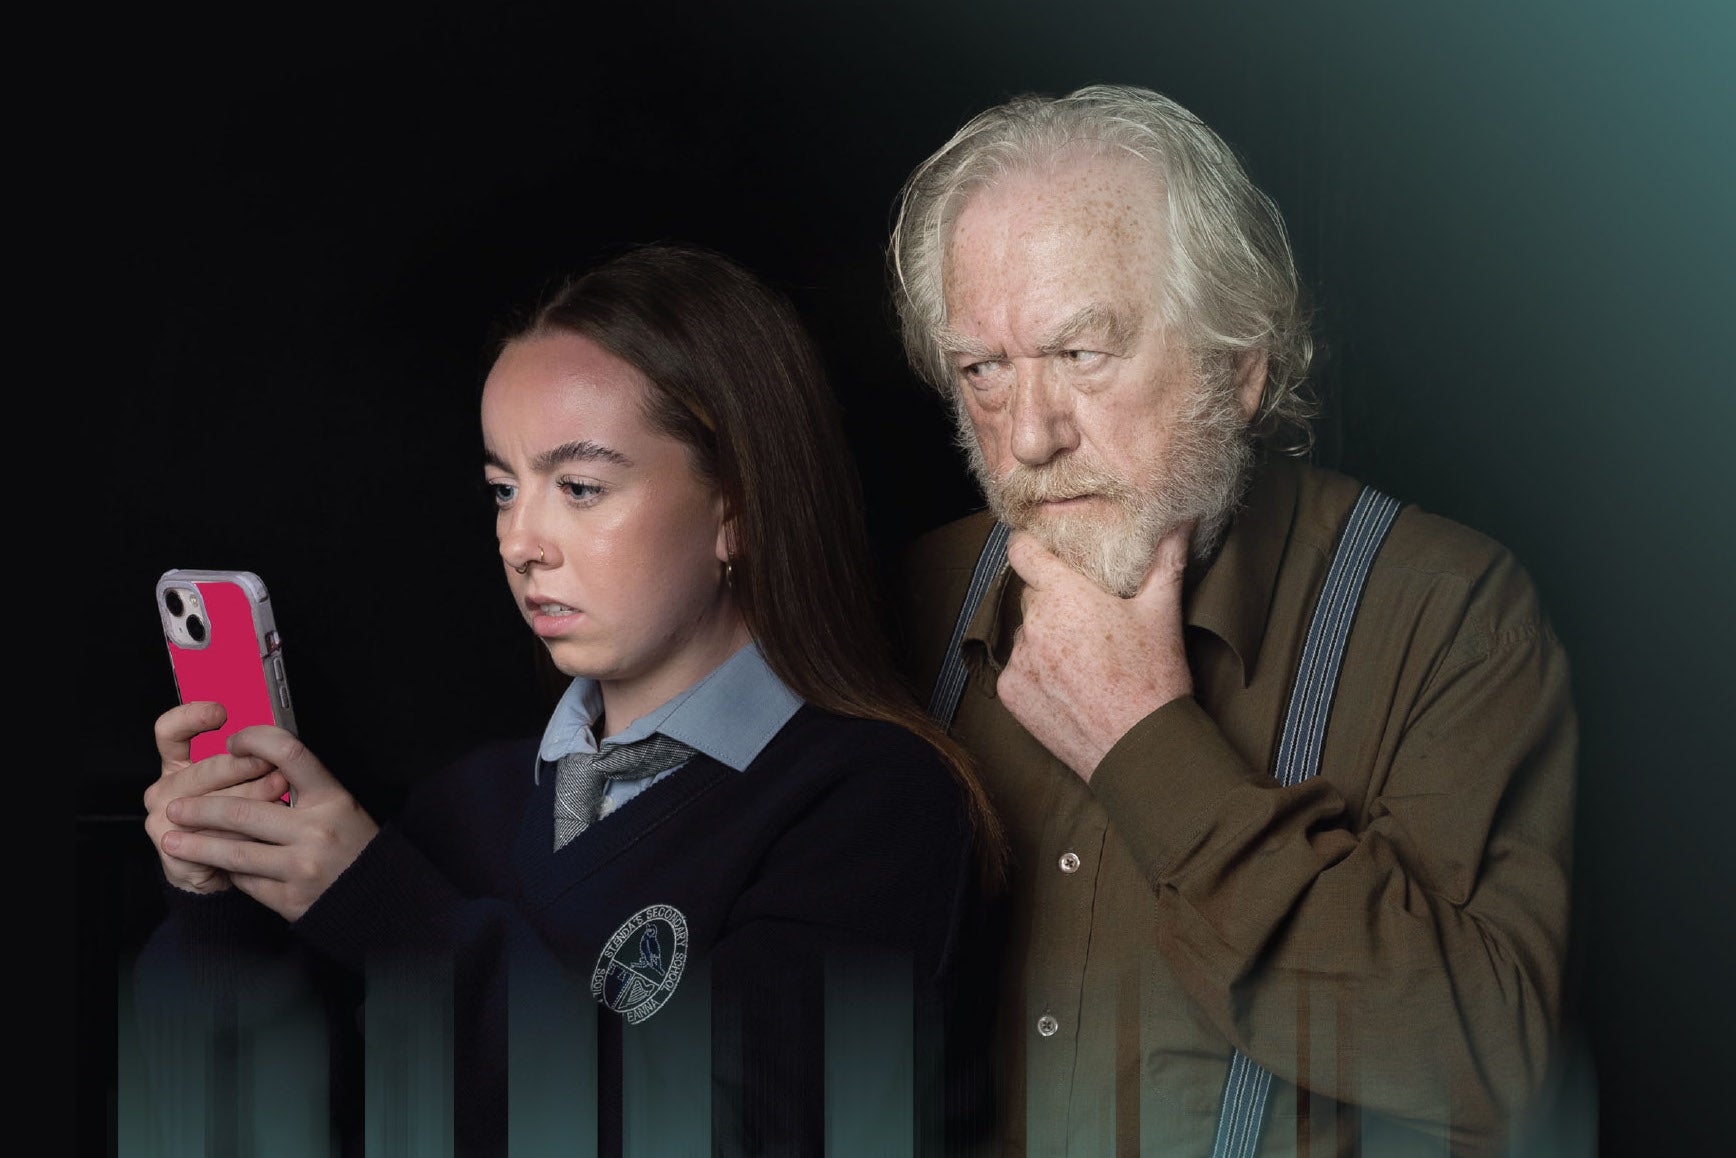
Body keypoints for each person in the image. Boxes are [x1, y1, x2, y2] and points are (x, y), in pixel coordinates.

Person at [136, 242, 1002, 1155]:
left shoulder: (873, 804)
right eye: (504, 490)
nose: (521, 541)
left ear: (737, 505)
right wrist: (220, 899)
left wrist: (397, 929)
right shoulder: (473, 804)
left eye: (580, 487)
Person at [888, 85, 1577, 1156]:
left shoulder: (1447, 613)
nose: (1025, 437)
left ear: (1240, 366)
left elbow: (1482, 1064)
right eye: (983, 370)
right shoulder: (907, 602)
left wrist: (1144, 746)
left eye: (1080, 354)